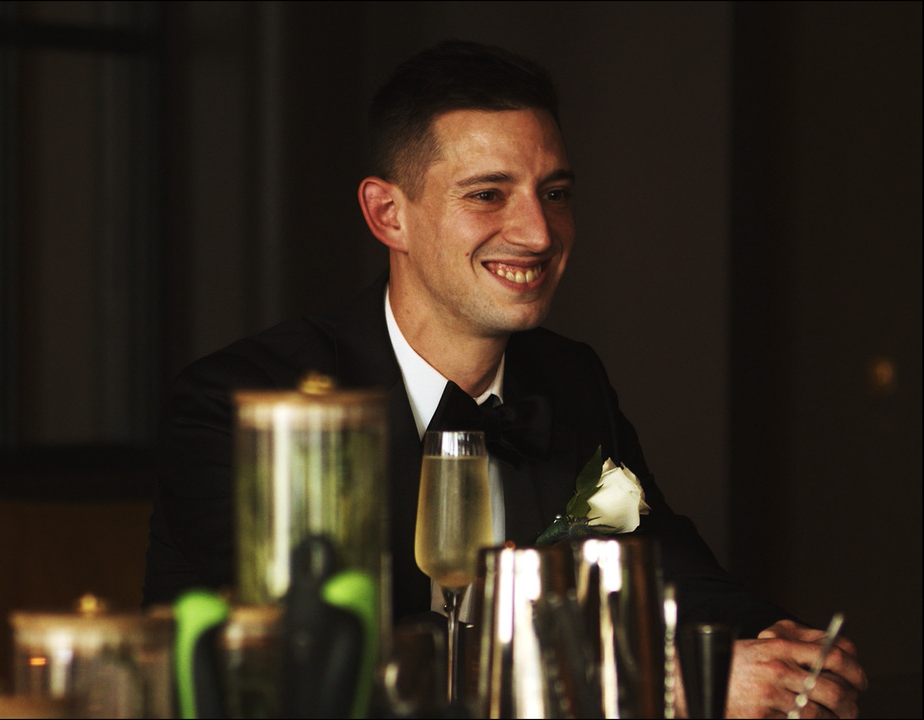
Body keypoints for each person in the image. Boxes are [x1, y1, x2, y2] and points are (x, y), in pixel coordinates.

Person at [143, 41, 866, 718]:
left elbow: (665, 565)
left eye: (554, 193)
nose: (539, 233)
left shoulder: (568, 376)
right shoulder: (244, 402)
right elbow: (330, 664)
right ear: (388, 213)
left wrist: (782, 653)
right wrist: (663, 679)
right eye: (488, 194)